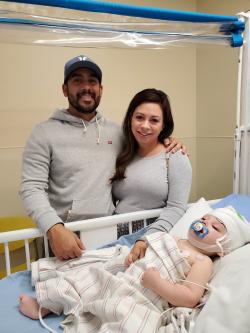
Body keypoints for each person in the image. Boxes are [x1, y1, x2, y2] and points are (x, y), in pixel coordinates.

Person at [20, 55, 186, 261]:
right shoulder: (44, 133)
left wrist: (169, 140)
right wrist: (54, 228)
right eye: (77, 80)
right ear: (64, 89)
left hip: (111, 232)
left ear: (101, 89)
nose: (86, 87)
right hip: (66, 235)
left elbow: (147, 140)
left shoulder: (117, 133)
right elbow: (32, 188)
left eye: (92, 81)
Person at [19, 206, 250, 332]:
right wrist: (134, 254)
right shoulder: (175, 238)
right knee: (87, 276)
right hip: (127, 273)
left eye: (216, 227)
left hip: (144, 293)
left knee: (125, 316)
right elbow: (150, 247)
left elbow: (189, 298)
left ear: (223, 248)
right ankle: (46, 305)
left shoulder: (202, 261)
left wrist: (157, 283)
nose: (203, 224)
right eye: (204, 218)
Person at [111, 88, 192, 251]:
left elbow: (176, 208)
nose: (145, 126)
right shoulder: (125, 152)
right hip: (115, 236)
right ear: (130, 119)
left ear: (164, 125)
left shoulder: (175, 155)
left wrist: (146, 239)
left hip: (150, 239)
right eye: (139, 117)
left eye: (154, 120)